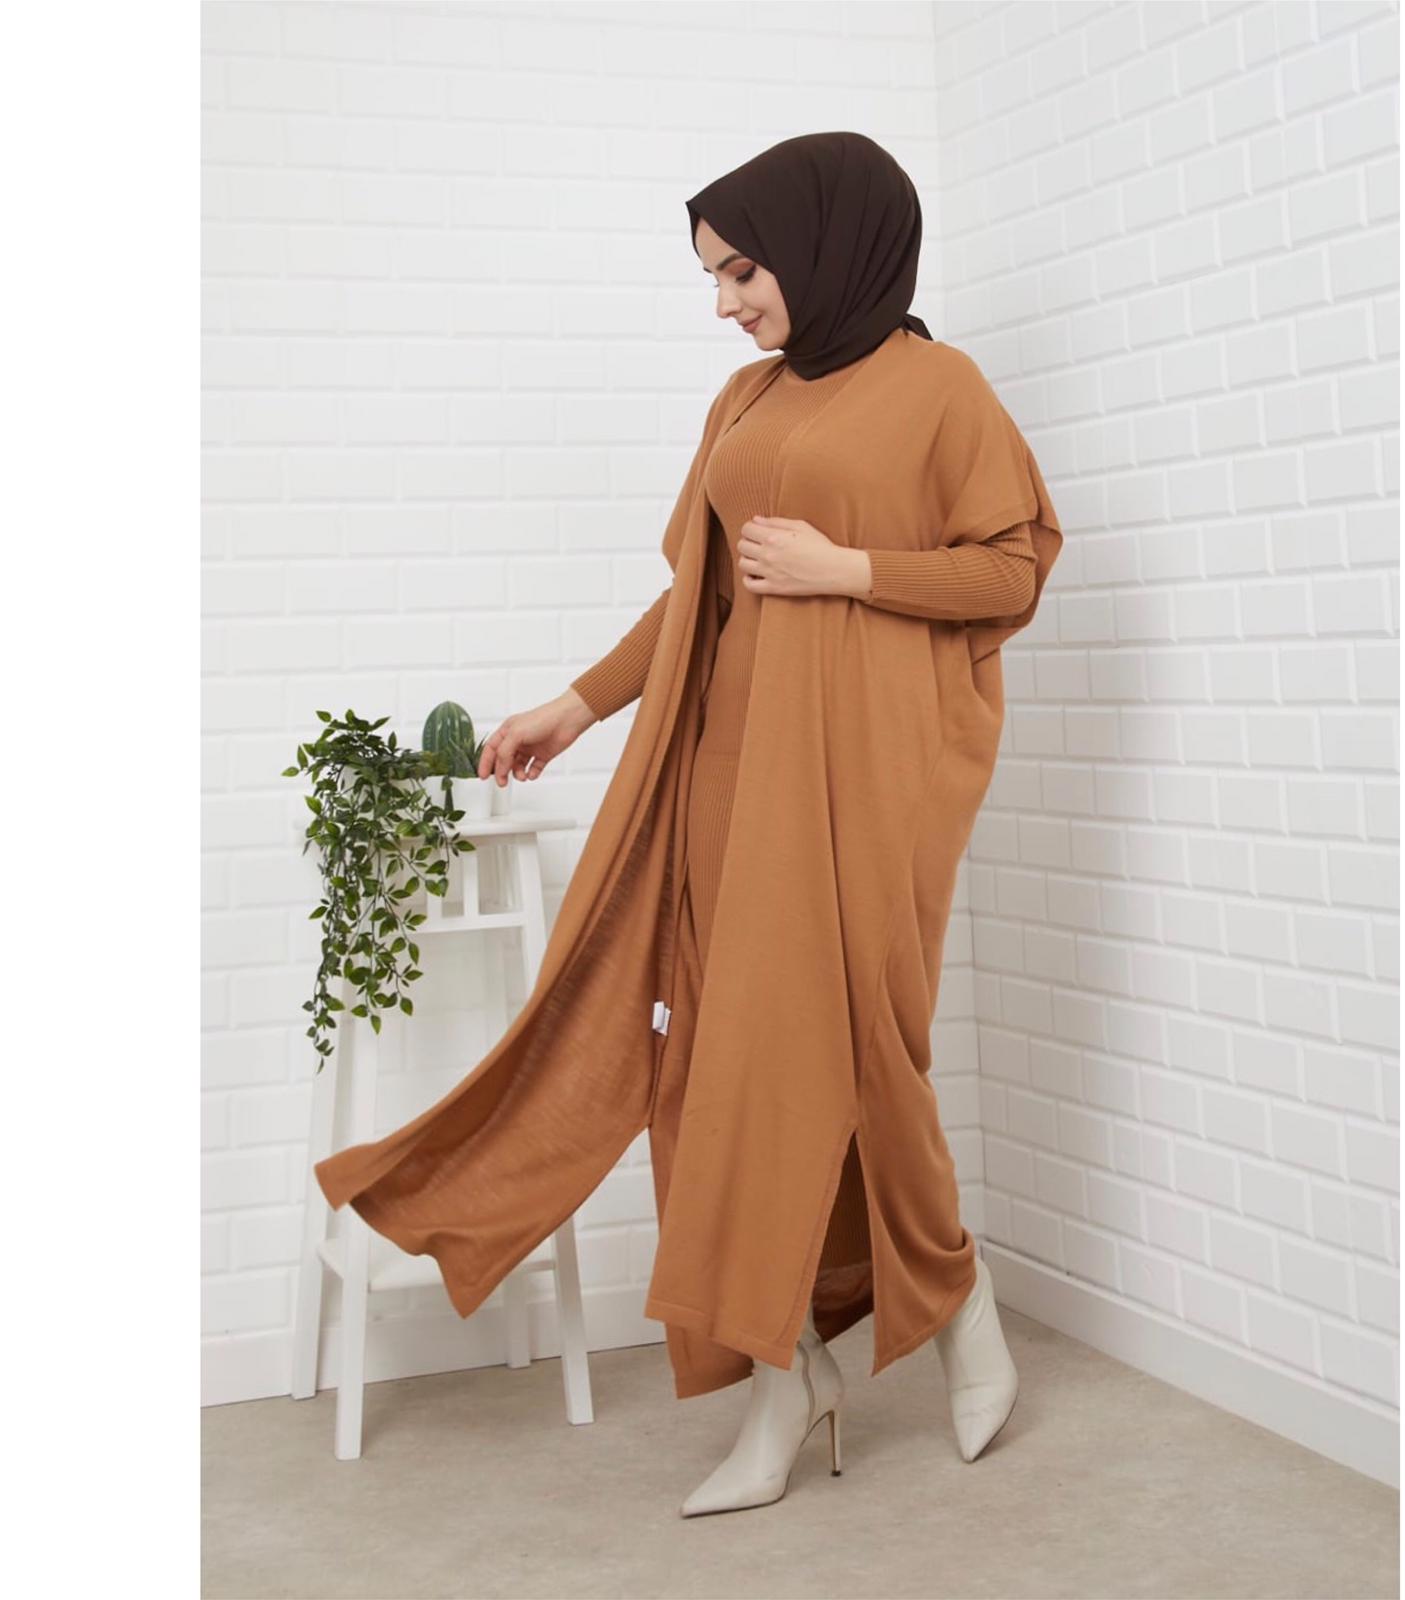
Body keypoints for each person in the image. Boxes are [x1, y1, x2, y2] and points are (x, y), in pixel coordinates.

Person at [315, 131, 1061, 1522]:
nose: (724, 302)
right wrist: (578, 705)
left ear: (826, 248)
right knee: (722, 1071)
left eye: (742, 272)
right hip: (730, 776)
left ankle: (955, 1300)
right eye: (714, 276)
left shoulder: (943, 391)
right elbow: (701, 597)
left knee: (866, 1058)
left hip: (868, 779)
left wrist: (850, 569)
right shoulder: (744, 399)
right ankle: (783, 1381)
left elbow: (1011, 571)